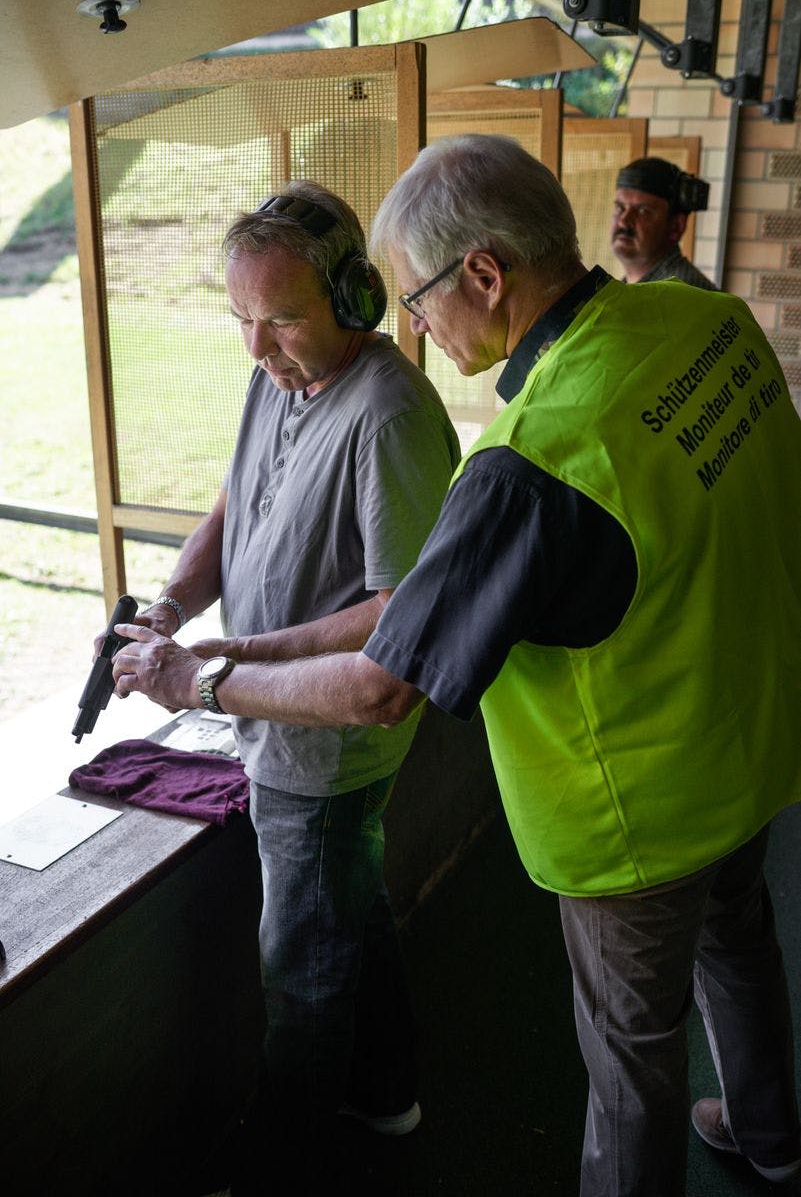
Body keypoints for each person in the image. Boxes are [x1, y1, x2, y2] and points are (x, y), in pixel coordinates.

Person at [113, 135, 801, 1196]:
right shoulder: (710, 322)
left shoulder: (532, 459)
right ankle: (771, 1129)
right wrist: (231, 642)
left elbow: (386, 682)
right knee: (740, 941)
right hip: (754, 745)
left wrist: (201, 682)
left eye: (419, 298)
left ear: (486, 272)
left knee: (631, 1063)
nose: (415, 328)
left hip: (639, 813)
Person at [107, 180, 461, 1193]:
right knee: (350, 914)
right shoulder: (279, 376)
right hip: (274, 718)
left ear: (355, 297)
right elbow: (234, 499)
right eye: (242, 321)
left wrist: (226, 664)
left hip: (323, 742)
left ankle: (279, 1167)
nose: (256, 348)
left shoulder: (389, 414)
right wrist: (175, 603)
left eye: (282, 319)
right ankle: (387, 1093)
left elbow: (397, 612)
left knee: (302, 977)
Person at [611, 155, 719, 289]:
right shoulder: (630, 289)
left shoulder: (685, 293)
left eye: (643, 211)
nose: (623, 222)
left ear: (676, 227)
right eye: (620, 208)